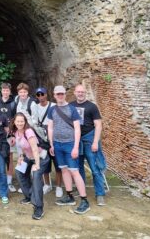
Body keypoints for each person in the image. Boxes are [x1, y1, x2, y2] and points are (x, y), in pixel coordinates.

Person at [47, 85, 90, 214]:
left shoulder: (72, 109)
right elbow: (50, 127)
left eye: (62, 94)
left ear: (65, 94)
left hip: (70, 144)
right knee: (64, 170)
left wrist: (76, 146)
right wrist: (51, 144)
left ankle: (84, 200)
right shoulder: (52, 110)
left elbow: (77, 128)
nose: (60, 96)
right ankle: (70, 195)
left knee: (74, 171)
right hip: (57, 144)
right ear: (54, 95)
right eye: (57, 94)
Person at [70, 84, 107, 206]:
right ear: (74, 92)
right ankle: (82, 191)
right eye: (78, 92)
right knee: (78, 167)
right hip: (77, 140)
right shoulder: (71, 106)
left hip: (89, 138)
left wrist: (95, 141)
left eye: (82, 92)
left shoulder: (92, 106)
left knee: (95, 168)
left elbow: (98, 125)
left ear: (85, 93)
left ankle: (100, 194)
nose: (80, 94)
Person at [12, 113, 50, 220]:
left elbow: (34, 149)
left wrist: (36, 165)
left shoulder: (28, 131)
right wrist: (20, 157)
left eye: (22, 121)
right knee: (19, 171)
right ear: (14, 122)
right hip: (28, 157)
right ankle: (29, 196)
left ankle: (38, 207)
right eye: (18, 121)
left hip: (40, 157)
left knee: (36, 176)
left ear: (25, 122)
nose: (20, 123)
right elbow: (20, 147)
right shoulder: (16, 132)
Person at [31, 87, 62, 197]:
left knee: (58, 163)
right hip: (42, 138)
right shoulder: (35, 107)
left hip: (54, 137)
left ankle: (59, 186)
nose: (40, 97)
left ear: (46, 95)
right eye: (38, 95)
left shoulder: (53, 106)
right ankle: (47, 184)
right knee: (45, 163)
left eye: (42, 94)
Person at [0, 82, 17, 193]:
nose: (5, 92)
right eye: (3, 90)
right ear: (1, 91)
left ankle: (9, 182)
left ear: (10, 91)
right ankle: (0, 181)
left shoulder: (13, 104)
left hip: (10, 134)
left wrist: (13, 134)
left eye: (7, 90)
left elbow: (16, 120)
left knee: (10, 158)